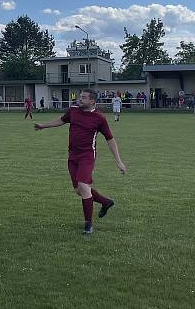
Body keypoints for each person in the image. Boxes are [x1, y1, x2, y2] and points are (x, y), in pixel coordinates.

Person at [34, 88, 127, 234]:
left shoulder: (99, 118)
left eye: (83, 97)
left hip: (87, 156)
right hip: (72, 156)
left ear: (92, 101)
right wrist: (43, 126)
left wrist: (118, 161)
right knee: (79, 190)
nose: (80, 99)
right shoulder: (73, 111)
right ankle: (106, 202)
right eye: (80, 97)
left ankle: (88, 225)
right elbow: (62, 120)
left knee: (84, 186)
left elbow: (110, 139)